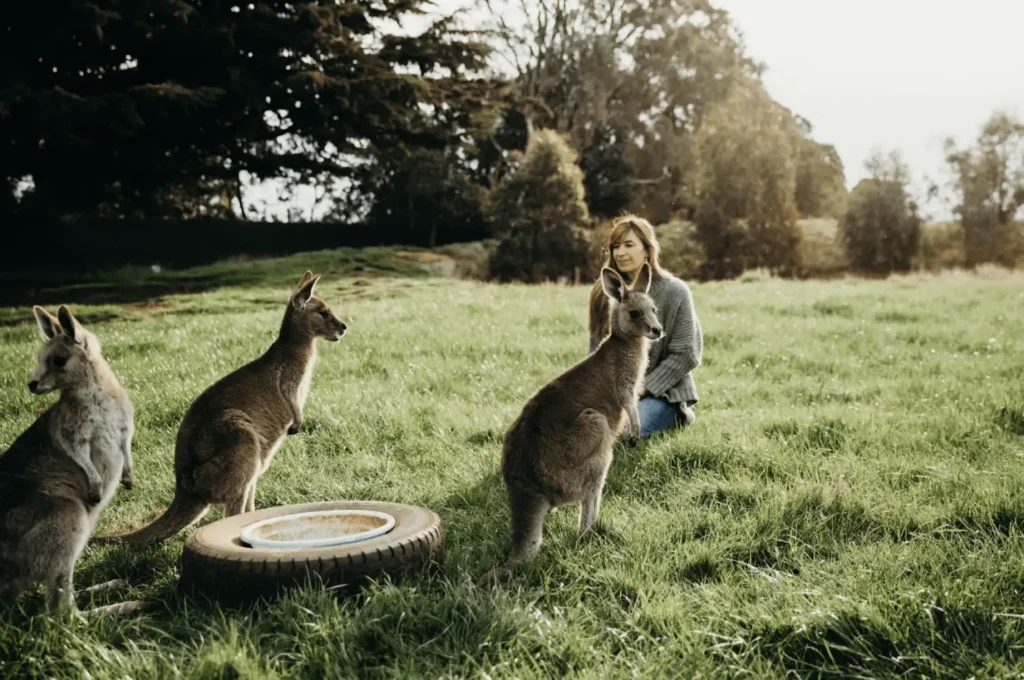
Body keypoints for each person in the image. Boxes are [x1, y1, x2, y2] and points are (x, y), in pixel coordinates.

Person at [587, 215, 703, 439]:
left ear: (648, 250)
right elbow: (596, 352)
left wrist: (641, 389)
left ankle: (675, 417)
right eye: (615, 247)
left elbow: (687, 354)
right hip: (614, 395)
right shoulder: (605, 293)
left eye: (629, 245)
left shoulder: (675, 291)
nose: (620, 252)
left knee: (624, 432)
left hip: (663, 394)